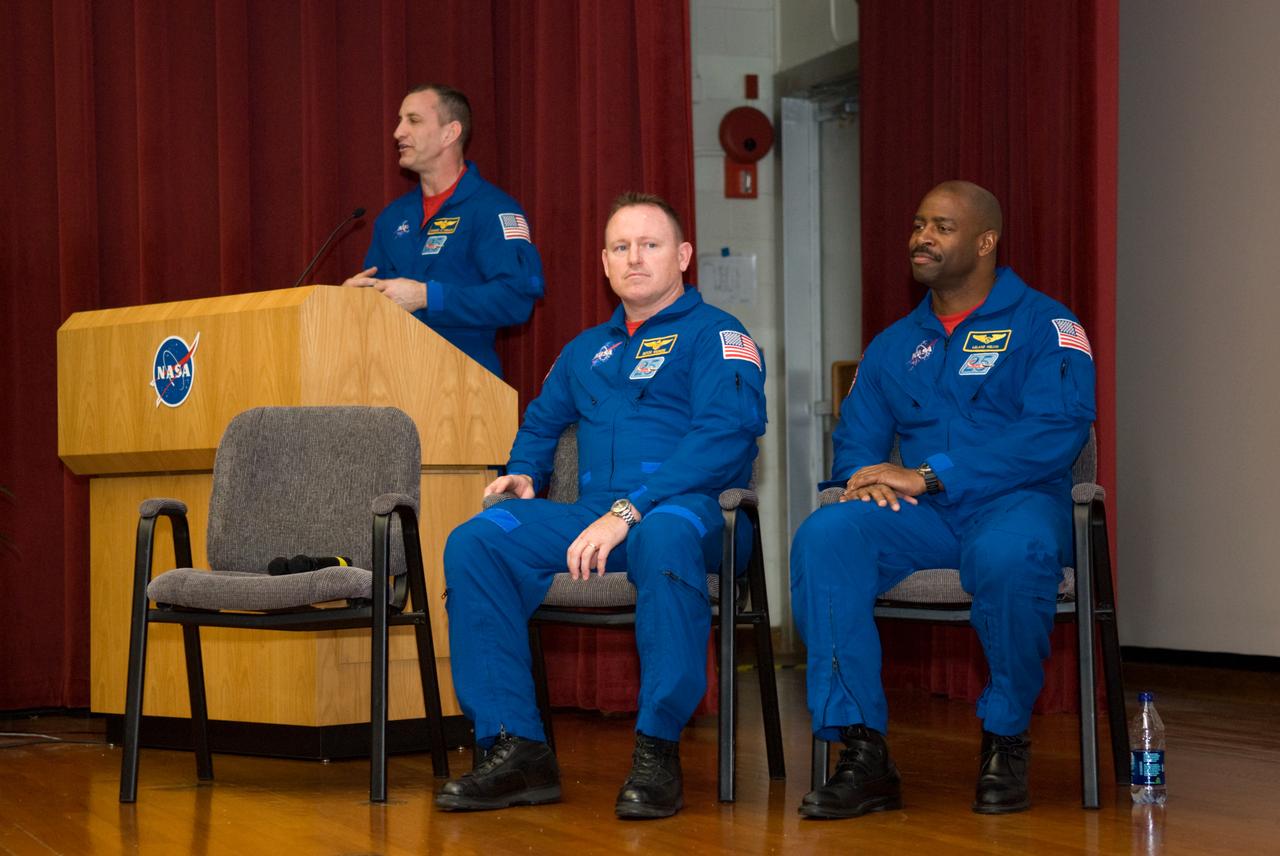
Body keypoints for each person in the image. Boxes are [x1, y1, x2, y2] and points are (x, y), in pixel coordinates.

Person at [435, 192, 766, 820]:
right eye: (621, 247)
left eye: (651, 244)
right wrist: (525, 473)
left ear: (683, 256)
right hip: (594, 517)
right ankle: (515, 748)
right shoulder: (587, 348)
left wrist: (631, 510)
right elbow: (541, 418)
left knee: (663, 532)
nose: (635, 258)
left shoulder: (719, 335)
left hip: (691, 513)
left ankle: (657, 748)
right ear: (605, 264)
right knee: (476, 540)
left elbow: (723, 439)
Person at [791, 180, 1096, 818]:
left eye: (943, 227)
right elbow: (856, 444)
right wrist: (864, 479)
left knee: (1011, 559)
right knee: (827, 535)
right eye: (918, 223)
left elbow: (1052, 435)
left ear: (986, 242)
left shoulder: (1048, 325)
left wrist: (930, 473)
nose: (922, 237)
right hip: (924, 520)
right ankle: (863, 749)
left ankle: (1006, 736)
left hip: (1017, 503)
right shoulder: (894, 344)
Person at [342, 83, 544, 377]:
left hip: (464, 387)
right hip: (390, 382)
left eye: (413, 120)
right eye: (400, 120)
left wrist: (428, 297)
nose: (398, 132)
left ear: (450, 133)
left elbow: (515, 299)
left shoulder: (493, 210)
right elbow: (377, 305)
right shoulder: (392, 218)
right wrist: (352, 300)